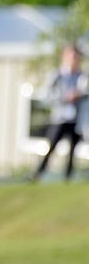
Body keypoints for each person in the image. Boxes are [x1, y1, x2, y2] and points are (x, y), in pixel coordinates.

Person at [31, 43, 87, 181]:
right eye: (72, 55)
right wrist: (64, 97)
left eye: (76, 55)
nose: (74, 58)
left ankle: (68, 177)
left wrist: (79, 95)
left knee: (73, 149)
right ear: (65, 56)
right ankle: (38, 173)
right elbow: (47, 94)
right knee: (52, 146)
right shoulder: (58, 75)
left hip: (76, 118)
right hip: (60, 117)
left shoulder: (81, 76)